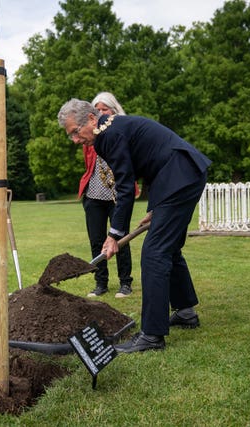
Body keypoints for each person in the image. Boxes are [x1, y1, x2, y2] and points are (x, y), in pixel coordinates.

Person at [58, 99, 211, 353]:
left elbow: (126, 187)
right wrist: (156, 207)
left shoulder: (109, 135)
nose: (75, 140)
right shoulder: (111, 129)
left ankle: (151, 336)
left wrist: (114, 234)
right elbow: (150, 160)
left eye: (75, 132)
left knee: (154, 253)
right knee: (168, 249)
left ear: (92, 120)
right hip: (179, 174)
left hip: (180, 175)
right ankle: (185, 312)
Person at [79, 92, 136, 298]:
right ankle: (100, 283)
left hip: (117, 194)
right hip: (94, 193)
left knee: (119, 237)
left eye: (105, 109)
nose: (101, 112)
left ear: (113, 110)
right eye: (98, 110)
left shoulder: (120, 131)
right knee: (96, 240)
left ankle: (125, 283)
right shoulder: (90, 135)